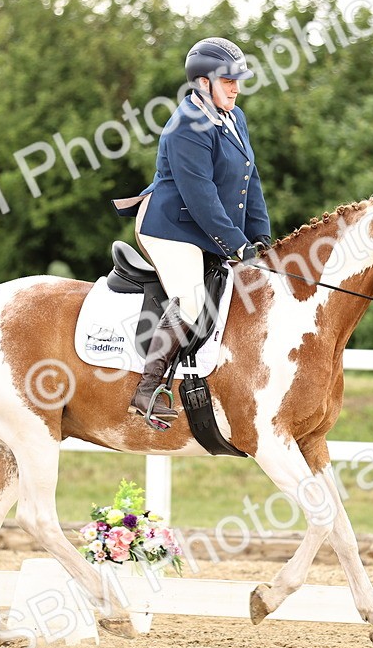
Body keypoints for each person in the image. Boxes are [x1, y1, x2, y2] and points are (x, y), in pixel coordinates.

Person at [113, 36, 272, 428]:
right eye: (228, 81)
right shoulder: (186, 127)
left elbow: (249, 182)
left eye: (237, 81)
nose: (236, 88)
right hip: (170, 228)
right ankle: (147, 389)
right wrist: (237, 245)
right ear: (204, 83)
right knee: (191, 301)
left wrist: (261, 237)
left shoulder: (234, 117)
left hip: (204, 227)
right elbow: (201, 197)